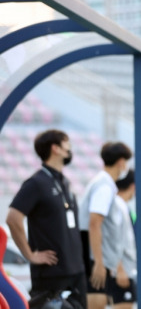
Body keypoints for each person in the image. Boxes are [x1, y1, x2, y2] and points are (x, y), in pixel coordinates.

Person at [5, 129, 87, 309]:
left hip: (75, 272)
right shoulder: (36, 183)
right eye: (67, 144)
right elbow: (13, 218)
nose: (70, 149)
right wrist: (30, 255)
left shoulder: (64, 182)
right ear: (55, 148)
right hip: (51, 276)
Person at [78, 142, 132, 309]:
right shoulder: (104, 186)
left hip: (96, 255)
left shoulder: (104, 184)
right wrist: (99, 263)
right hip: (94, 257)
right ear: (121, 162)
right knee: (96, 302)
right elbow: (94, 223)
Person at [113, 169, 137, 308]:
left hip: (124, 268)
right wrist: (120, 269)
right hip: (121, 270)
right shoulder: (117, 205)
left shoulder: (123, 206)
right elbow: (111, 239)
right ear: (133, 186)